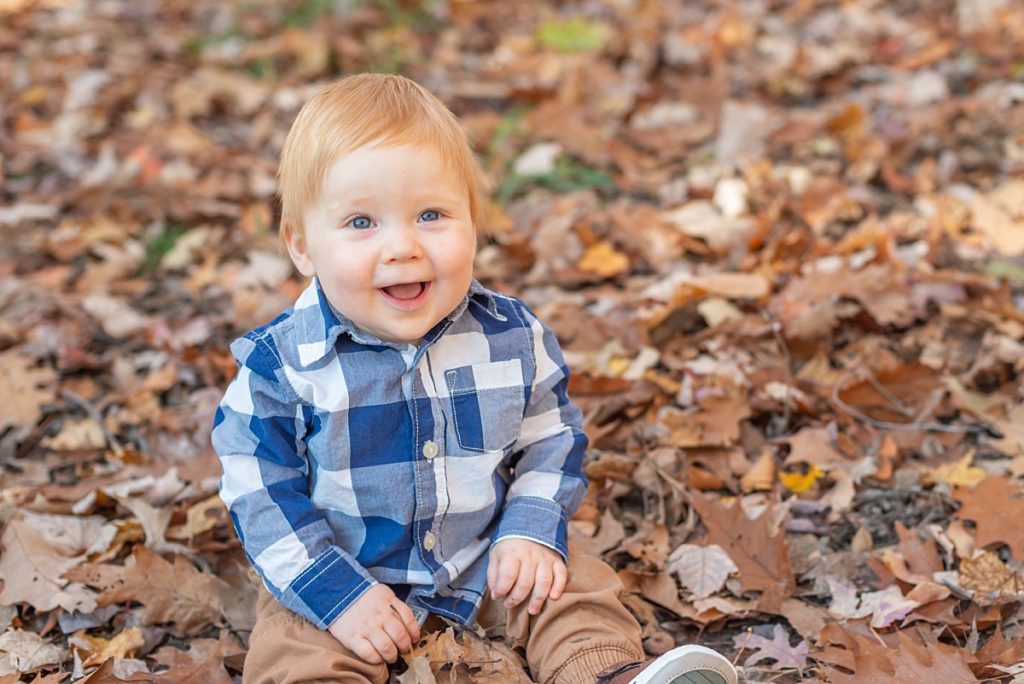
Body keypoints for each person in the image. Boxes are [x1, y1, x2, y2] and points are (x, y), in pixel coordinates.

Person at [211, 73, 738, 684]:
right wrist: (336, 595)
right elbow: (260, 496)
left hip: (483, 564)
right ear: (302, 247)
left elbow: (551, 441)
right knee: (289, 644)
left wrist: (530, 530)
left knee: (573, 587)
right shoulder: (278, 370)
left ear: (473, 223)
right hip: (343, 581)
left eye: (431, 214)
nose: (402, 246)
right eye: (361, 223)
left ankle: (606, 674)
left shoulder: (510, 338)